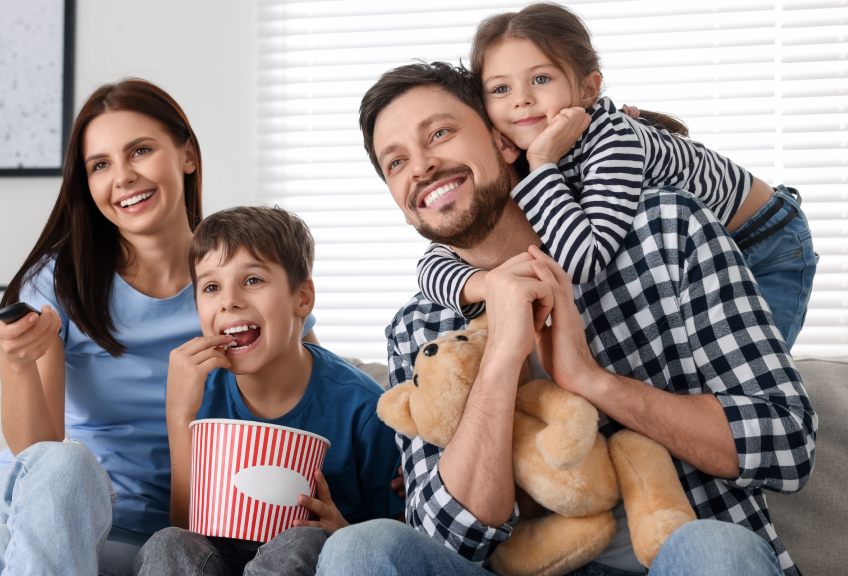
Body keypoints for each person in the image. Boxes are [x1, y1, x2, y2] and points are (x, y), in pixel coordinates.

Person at [315, 61, 816, 576]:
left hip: (677, 559)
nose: (420, 167)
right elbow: (444, 539)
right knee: (359, 550)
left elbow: (786, 442)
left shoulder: (664, 231)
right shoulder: (420, 327)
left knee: (719, 550)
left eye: (439, 133)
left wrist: (590, 379)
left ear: (503, 141)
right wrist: (503, 360)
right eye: (395, 163)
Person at [0, 78, 315, 576]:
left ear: (186, 154)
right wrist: (16, 362)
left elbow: (320, 399)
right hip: (7, 504)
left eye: (140, 151)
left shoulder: (245, 284)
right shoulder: (63, 282)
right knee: (68, 465)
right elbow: (38, 448)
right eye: (100, 165)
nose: (122, 177)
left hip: (130, 540)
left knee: (7, 554)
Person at [415, 2, 817, 348]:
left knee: (742, 377)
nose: (521, 99)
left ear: (588, 89)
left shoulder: (611, 142)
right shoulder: (513, 158)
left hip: (764, 243)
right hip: (693, 259)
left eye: (541, 79)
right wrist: (484, 285)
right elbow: (434, 263)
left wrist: (541, 164)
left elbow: (585, 261)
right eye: (500, 89)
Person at [133, 206, 404, 575]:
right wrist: (180, 417)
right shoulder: (198, 391)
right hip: (215, 559)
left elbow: (395, 539)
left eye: (253, 280)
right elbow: (186, 526)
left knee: (304, 540)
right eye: (211, 287)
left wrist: (343, 533)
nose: (229, 300)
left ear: (302, 298)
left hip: (311, 560)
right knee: (165, 542)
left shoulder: (363, 407)